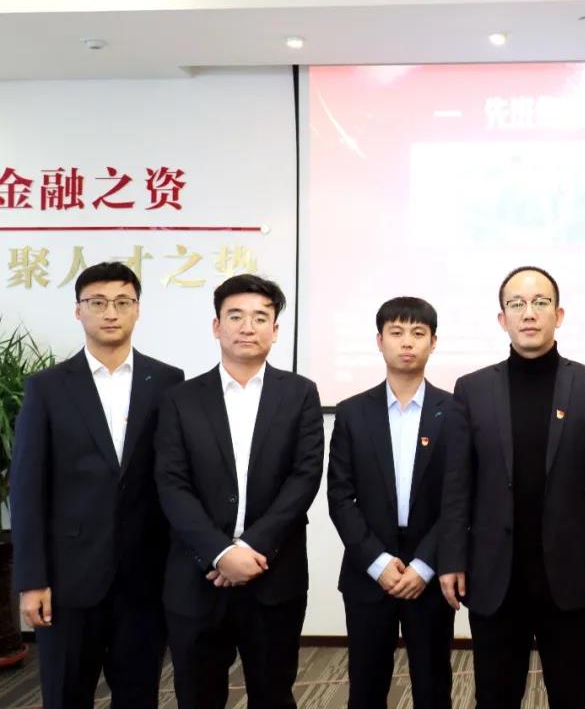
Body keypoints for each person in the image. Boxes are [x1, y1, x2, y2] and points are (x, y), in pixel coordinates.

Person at [438, 266, 585, 708]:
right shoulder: (472, 388)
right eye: (517, 304)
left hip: (570, 573)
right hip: (494, 574)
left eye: (540, 302)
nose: (529, 313)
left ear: (559, 314)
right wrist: (452, 559)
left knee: (574, 695)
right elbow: (458, 485)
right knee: (495, 696)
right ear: (502, 319)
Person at [11, 261, 184, 709]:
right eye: (98, 302)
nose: (111, 312)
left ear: (138, 310)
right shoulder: (47, 387)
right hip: (68, 580)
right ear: (78, 310)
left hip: (144, 576)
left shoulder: (168, 382)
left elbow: (177, 479)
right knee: (66, 694)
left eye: (123, 302)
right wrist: (31, 579)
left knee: (138, 695)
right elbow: (26, 489)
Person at [154, 274, 324, 709]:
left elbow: (304, 477)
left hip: (274, 574)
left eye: (260, 317)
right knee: (197, 696)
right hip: (197, 577)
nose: (248, 327)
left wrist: (250, 547)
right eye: (235, 316)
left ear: (275, 330)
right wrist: (219, 552)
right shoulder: (180, 398)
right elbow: (172, 483)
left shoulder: (300, 394)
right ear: (217, 326)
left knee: (273, 694)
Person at [327, 297, 460, 709]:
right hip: (368, 568)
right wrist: (377, 561)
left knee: (433, 685)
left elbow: (458, 498)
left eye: (418, 333)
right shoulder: (352, 412)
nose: (407, 342)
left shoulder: (456, 411)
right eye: (397, 332)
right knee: (365, 686)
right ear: (379, 340)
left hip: (431, 571)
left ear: (433, 342)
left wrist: (425, 565)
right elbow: (340, 496)